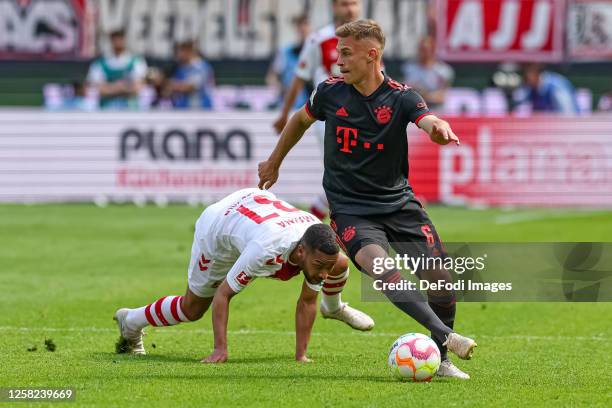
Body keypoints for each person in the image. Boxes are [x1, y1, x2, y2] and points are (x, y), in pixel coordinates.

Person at [258, 20, 476, 379]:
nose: (338, 61)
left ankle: (440, 360)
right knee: (382, 269)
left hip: (399, 205)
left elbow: (427, 119)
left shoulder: (402, 96)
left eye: (346, 53)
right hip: (350, 211)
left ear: (371, 55)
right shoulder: (329, 92)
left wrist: (437, 128)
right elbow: (299, 119)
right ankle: (447, 338)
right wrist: (274, 161)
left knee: (440, 279)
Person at [114, 188, 374, 363]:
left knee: (340, 262)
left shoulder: (315, 245)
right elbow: (224, 295)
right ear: (301, 252)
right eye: (319, 265)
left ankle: (334, 307)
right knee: (192, 309)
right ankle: (132, 321)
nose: (323, 273)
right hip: (218, 230)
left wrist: (300, 356)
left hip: (254, 207)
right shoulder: (264, 250)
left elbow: (307, 301)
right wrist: (220, 350)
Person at [273, 0, 362, 221]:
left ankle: (309, 223)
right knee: (345, 175)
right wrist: (284, 114)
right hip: (329, 117)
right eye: (344, 4)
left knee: (349, 176)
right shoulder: (318, 39)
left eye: (354, 3)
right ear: (334, 7)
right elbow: (299, 77)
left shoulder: (368, 38)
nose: (350, 9)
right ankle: (329, 230)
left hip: (362, 117)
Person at [86, 29, 147, 109]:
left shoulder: (137, 61)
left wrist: (111, 88)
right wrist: (123, 87)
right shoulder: (99, 64)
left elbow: (137, 88)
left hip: (130, 110)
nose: (118, 42)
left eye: (120, 39)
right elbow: (100, 90)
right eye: (115, 40)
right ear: (111, 41)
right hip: (106, 109)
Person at [266, 14, 311, 110]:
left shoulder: (317, 51)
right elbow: (272, 77)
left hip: (312, 109)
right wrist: (281, 89)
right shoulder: (285, 52)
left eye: (305, 25)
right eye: (299, 25)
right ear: (296, 28)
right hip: (290, 108)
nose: (303, 29)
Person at [402, 36, 454, 111]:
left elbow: (441, 96)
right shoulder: (408, 68)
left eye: (426, 50)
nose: (423, 53)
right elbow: (404, 90)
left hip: (436, 109)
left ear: (433, 50)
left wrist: (423, 94)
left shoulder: (444, 71)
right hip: (413, 109)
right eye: (421, 49)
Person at [164, 40, 215, 110]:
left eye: (180, 52)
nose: (178, 55)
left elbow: (192, 86)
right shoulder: (181, 67)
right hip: (182, 108)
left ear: (189, 52)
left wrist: (172, 85)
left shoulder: (200, 66)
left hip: (200, 108)